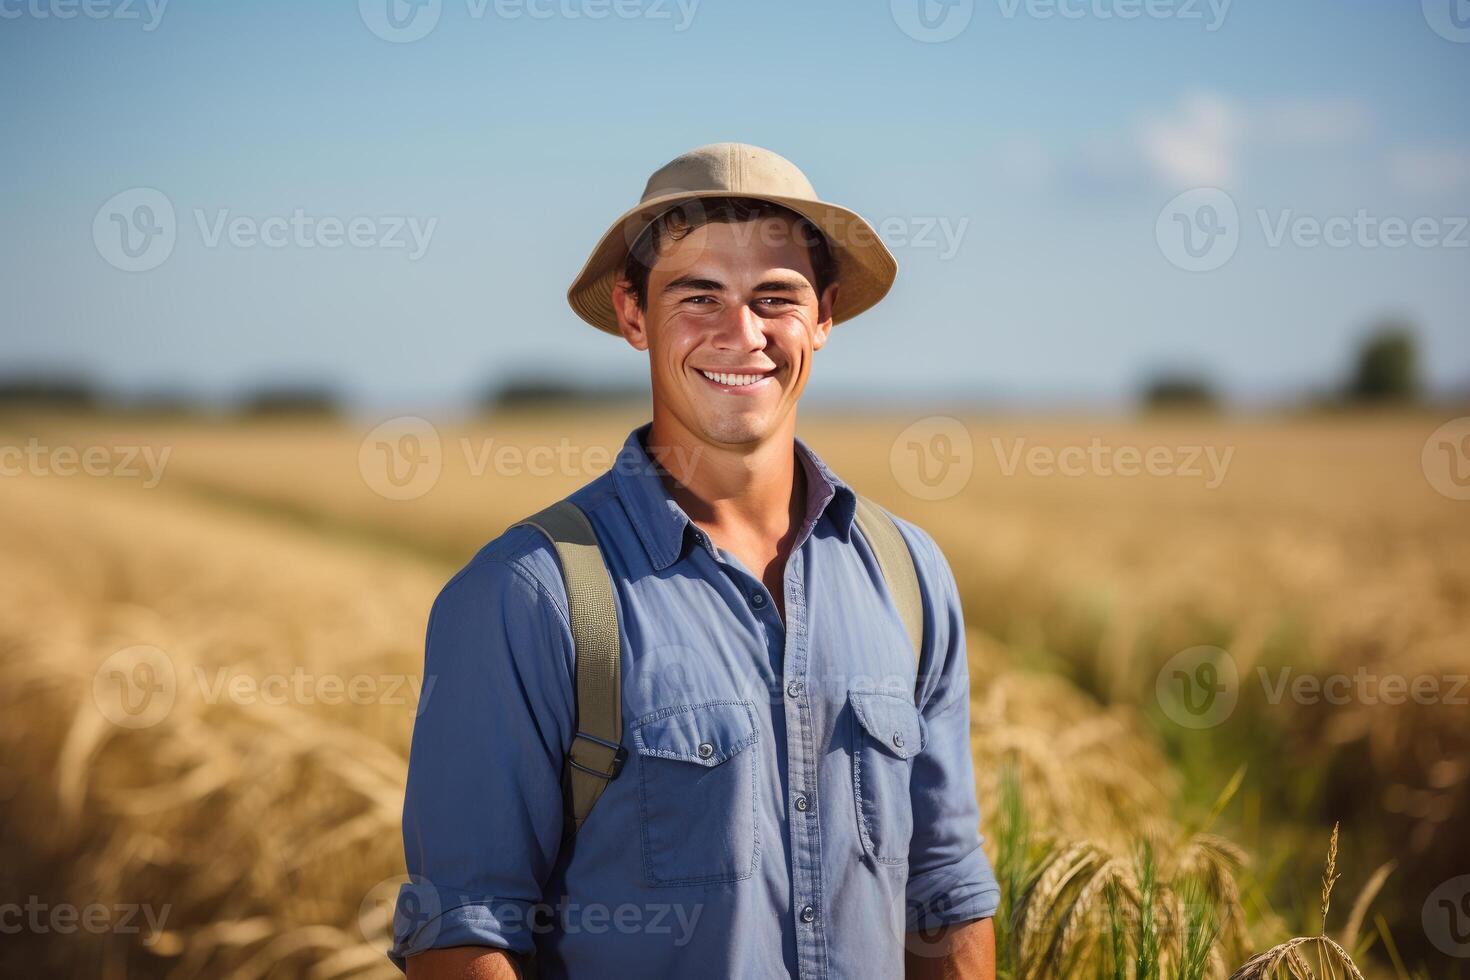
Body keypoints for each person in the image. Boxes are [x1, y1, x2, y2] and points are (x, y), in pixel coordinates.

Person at [390, 142, 998, 979]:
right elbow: (463, 932)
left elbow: (946, 891)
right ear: (634, 313)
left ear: (823, 317)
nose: (740, 334)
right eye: (698, 295)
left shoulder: (907, 574)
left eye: (774, 298)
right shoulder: (527, 597)